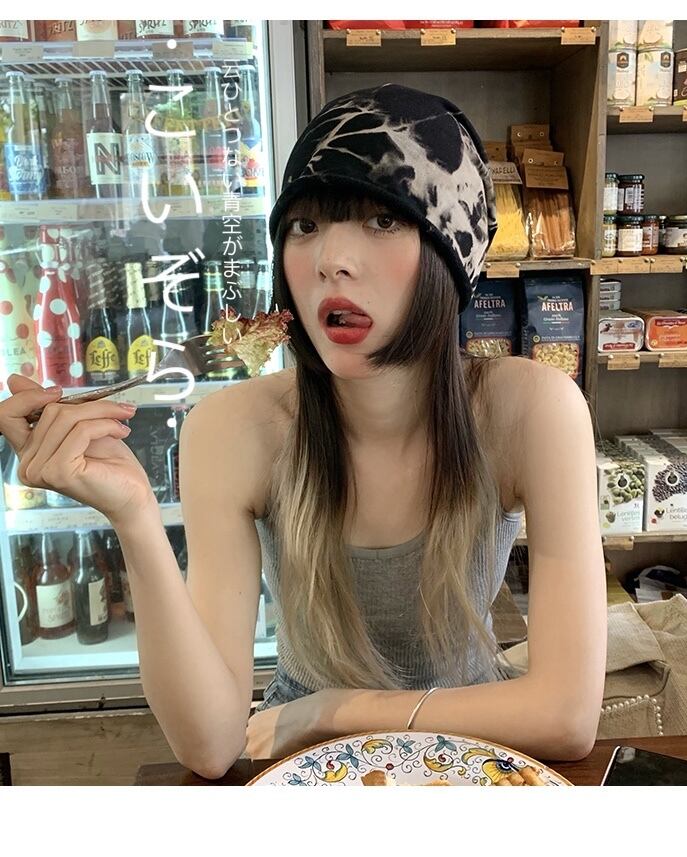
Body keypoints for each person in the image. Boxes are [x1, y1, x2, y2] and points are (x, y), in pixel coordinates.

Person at [0, 84, 606, 780]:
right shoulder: (232, 428)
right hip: (299, 764)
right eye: (306, 225)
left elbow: (566, 717)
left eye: (383, 220)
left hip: (469, 745)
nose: (330, 260)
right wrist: (134, 518)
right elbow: (210, 746)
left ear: (450, 255)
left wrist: (335, 710)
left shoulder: (531, 409)